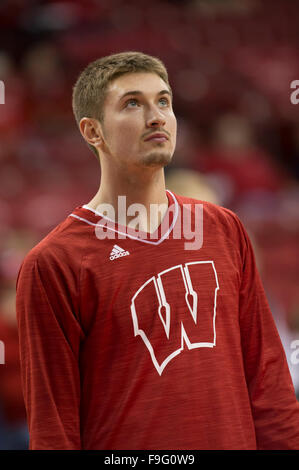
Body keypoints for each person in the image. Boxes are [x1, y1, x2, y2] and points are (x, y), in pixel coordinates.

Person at [16, 51, 299, 450]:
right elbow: (53, 427)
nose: (156, 116)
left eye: (163, 101)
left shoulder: (223, 228)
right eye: (133, 103)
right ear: (93, 131)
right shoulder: (54, 263)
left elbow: (269, 381)